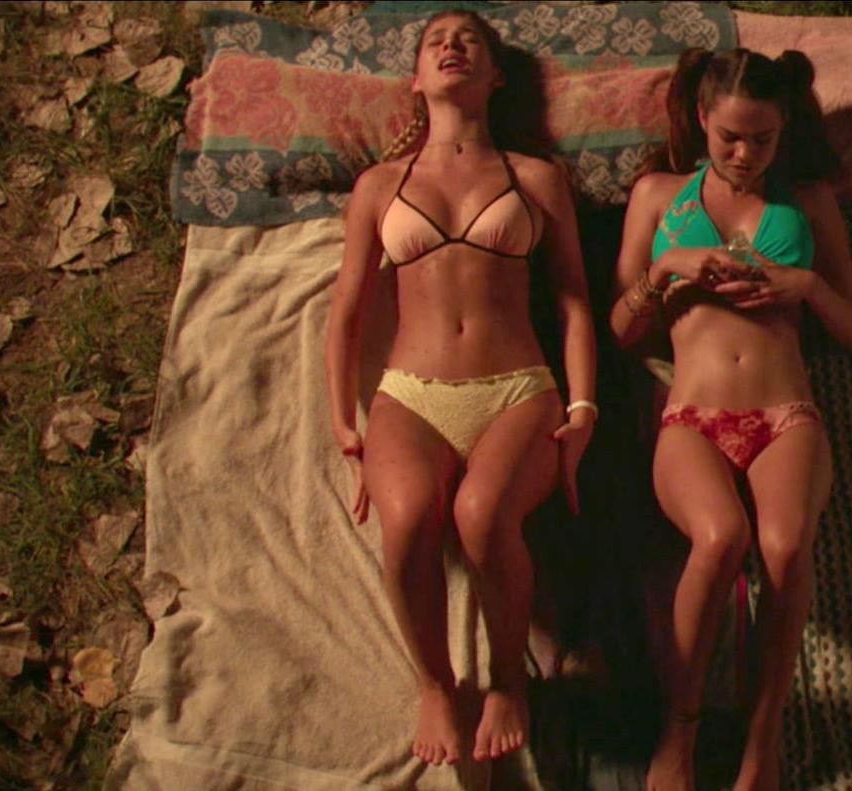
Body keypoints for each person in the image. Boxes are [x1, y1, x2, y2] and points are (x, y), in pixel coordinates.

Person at [326, 9, 597, 767]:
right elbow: (346, 312)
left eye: (469, 40)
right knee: (409, 520)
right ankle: (436, 684)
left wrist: (583, 409)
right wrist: (343, 422)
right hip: (410, 395)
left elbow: (574, 301)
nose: (451, 46)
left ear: (496, 77)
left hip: (517, 391)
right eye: (435, 41)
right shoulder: (379, 186)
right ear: (416, 79)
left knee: (482, 516)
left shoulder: (535, 178)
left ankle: (508, 681)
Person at [608, 47, 852, 790]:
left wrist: (804, 284)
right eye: (730, 137)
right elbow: (620, 330)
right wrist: (667, 269)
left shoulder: (809, 201)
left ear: (784, 131)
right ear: (701, 118)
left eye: (763, 139)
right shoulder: (659, 196)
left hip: (785, 414)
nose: (745, 154)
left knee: (784, 548)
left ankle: (762, 741)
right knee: (721, 536)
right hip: (692, 415)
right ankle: (680, 730)